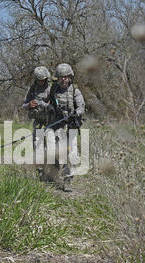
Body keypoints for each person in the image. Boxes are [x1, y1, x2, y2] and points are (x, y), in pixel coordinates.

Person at [44, 63, 85, 191]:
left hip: (71, 124)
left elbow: (81, 107)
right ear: (58, 78)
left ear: (70, 77)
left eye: (66, 77)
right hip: (57, 125)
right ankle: (53, 173)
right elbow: (44, 102)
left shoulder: (75, 91)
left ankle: (67, 179)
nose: (63, 79)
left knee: (72, 153)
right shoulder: (52, 90)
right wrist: (49, 107)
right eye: (61, 77)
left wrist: (75, 114)